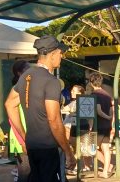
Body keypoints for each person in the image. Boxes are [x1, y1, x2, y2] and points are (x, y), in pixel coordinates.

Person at [5, 35, 76, 182]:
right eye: (60, 53)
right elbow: (54, 120)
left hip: (32, 145)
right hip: (48, 147)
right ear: (52, 54)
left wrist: (24, 136)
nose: (62, 56)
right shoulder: (51, 81)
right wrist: (68, 151)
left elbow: (9, 104)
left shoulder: (25, 76)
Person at [8, 60, 31, 182]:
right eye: (27, 68)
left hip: (29, 137)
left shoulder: (27, 89)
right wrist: (23, 141)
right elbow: (12, 119)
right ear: (19, 73)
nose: (30, 71)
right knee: (25, 173)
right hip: (21, 138)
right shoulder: (16, 90)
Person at [88, 72, 114, 178]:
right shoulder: (107, 95)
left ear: (91, 83)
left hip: (97, 126)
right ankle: (106, 171)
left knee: (90, 148)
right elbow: (111, 109)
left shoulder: (94, 95)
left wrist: (90, 127)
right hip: (107, 126)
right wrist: (110, 119)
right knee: (106, 148)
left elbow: (98, 110)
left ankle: (108, 167)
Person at [63, 84, 92, 173]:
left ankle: (74, 164)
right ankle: (78, 166)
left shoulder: (84, 101)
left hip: (83, 126)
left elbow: (89, 116)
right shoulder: (73, 102)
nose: (71, 92)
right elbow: (64, 109)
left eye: (74, 91)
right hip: (74, 126)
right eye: (71, 90)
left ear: (80, 93)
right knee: (75, 146)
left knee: (84, 147)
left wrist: (90, 127)